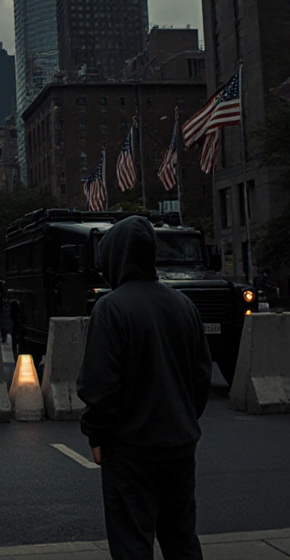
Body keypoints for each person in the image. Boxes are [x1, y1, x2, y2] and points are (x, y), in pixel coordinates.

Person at [77, 216, 212, 560]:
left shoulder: (110, 308)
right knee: (182, 539)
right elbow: (200, 378)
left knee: (132, 543)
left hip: (130, 450)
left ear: (115, 257)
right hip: (180, 445)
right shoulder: (184, 305)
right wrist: (182, 418)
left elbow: (99, 386)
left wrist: (97, 436)